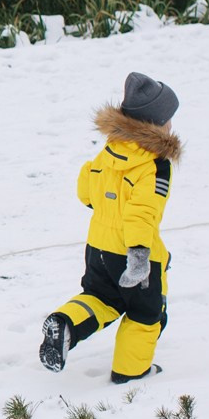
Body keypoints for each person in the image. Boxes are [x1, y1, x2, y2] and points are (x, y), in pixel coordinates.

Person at [39, 72, 182, 384]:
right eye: (169, 118)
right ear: (156, 123)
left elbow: (86, 192)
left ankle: (65, 323)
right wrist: (139, 255)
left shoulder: (111, 150)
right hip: (133, 251)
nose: (172, 124)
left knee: (100, 297)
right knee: (145, 313)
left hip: (98, 246)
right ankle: (131, 372)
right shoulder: (155, 164)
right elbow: (142, 213)